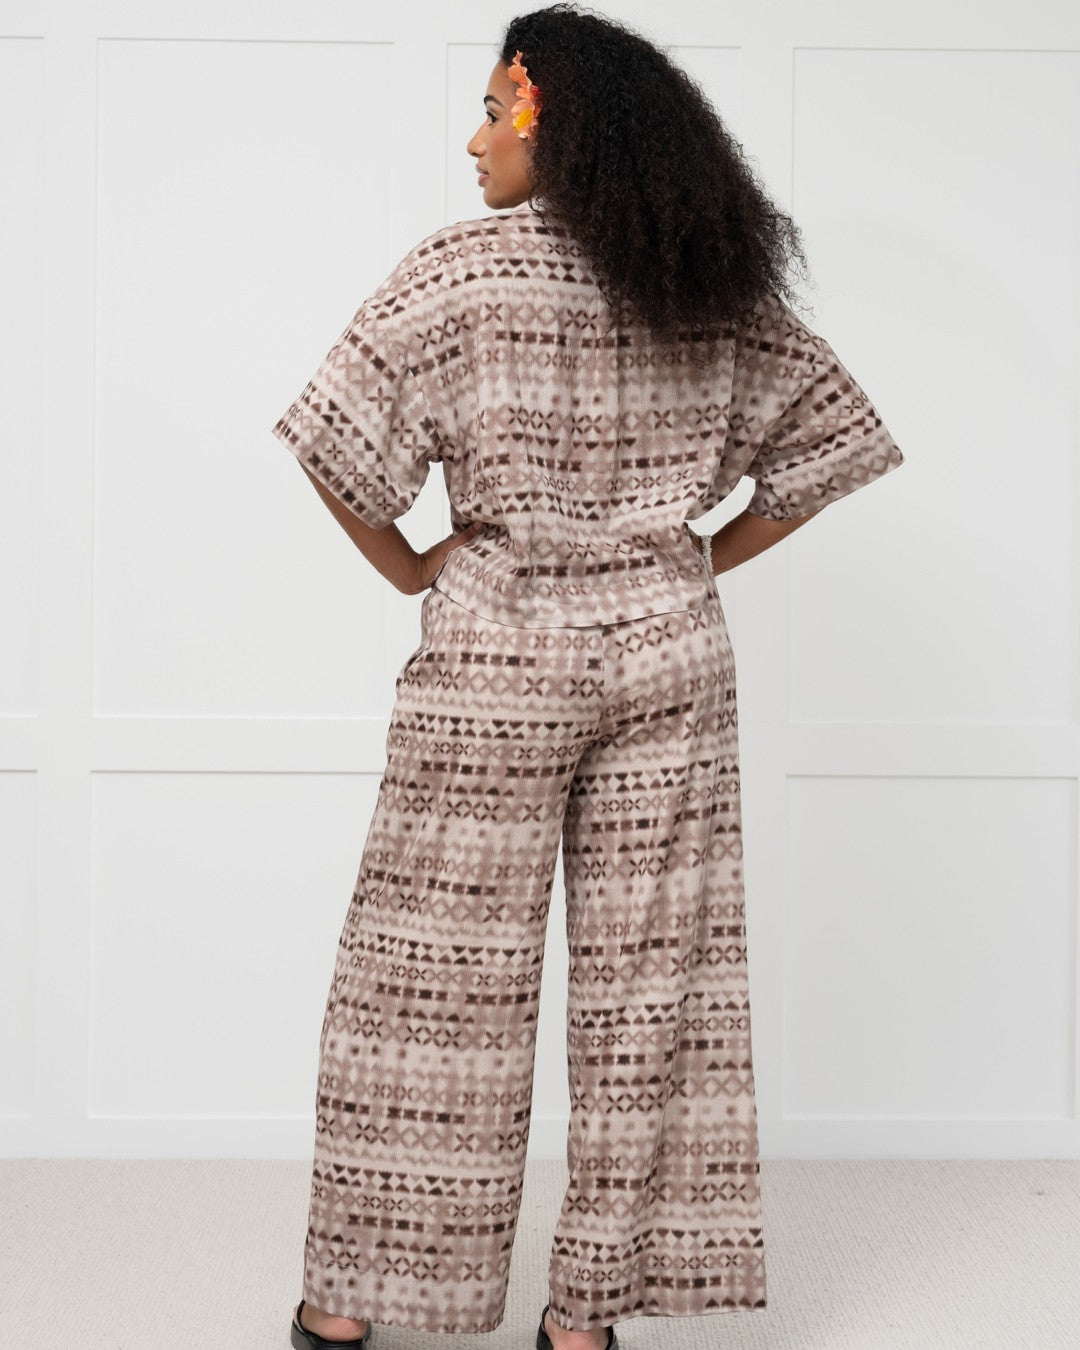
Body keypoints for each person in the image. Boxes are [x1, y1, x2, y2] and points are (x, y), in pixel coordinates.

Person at [273, 6, 904, 1349]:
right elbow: (831, 442)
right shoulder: (699, 277)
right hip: (668, 656)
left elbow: (331, 441)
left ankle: (351, 1305)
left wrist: (413, 568)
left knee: (430, 978)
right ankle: (586, 1321)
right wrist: (689, 558)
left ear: (550, 118)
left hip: (497, 654)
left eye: (492, 108)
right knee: (653, 989)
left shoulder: (459, 272)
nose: (474, 139)